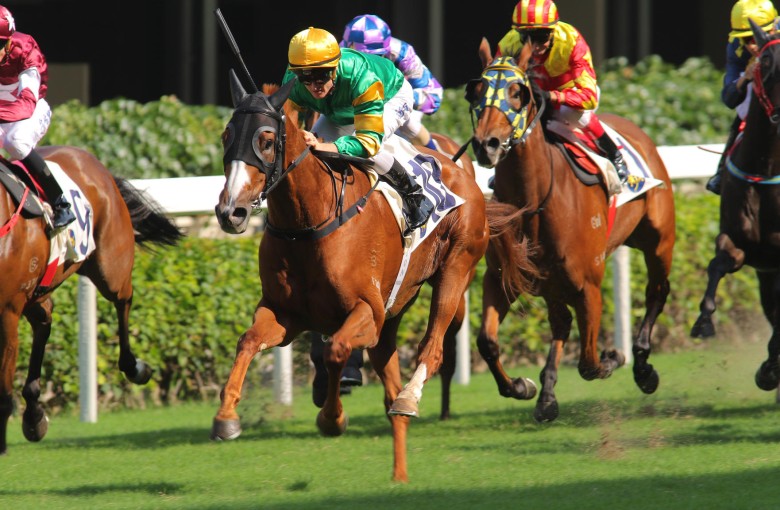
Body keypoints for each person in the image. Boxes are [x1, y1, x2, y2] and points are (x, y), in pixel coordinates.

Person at [283, 26, 434, 232]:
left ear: (334, 69)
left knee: (369, 150)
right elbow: (289, 130)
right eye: (306, 78)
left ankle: (415, 195)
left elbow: (367, 143)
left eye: (321, 77)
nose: (314, 86)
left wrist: (325, 146)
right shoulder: (292, 82)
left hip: (391, 96)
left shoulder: (362, 79)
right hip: (339, 109)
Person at [496, 0, 627, 183]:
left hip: (571, 97)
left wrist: (552, 96)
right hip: (534, 98)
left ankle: (615, 155)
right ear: (517, 33)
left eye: (541, 36)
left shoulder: (572, 41)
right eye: (526, 36)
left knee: (574, 114)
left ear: (553, 31)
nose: (534, 45)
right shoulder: (507, 45)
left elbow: (589, 97)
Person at [0, 5, 74, 229]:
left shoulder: (26, 50)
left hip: (30, 111)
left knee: (16, 142)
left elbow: (26, 103)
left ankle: (60, 202)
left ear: (9, 42)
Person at [706, 0, 779, 194]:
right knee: (744, 110)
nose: (753, 46)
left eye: (757, 38)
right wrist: (745, 78)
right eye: (747, 40)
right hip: (763, 100)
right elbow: (729, 99)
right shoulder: (735, 49)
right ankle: (721, 172)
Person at [340, 14, 443, 152]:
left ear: (386, 51)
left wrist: (388, 96)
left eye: (375, 57)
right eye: (360, 58)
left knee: (409, 124)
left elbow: (433, 98)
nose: (369, 64)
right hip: (358, 100)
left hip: (400, 98)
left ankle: (439, 160)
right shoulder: (338, 54)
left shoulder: (404, 54)